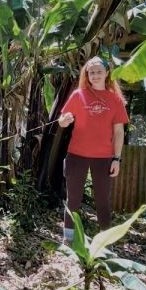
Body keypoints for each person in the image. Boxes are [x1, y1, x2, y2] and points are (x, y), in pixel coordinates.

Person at [57, 56, 129, 241]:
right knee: (73, 199)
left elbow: (119, 132)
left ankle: (106, 242)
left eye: (99, 71)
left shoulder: (115, 100)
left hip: (104, 158)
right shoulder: (78, 95)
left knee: (103, 202)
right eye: (91, 72)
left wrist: (117, 159)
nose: (95, 75)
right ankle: (68, 240)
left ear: (106, 74)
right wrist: (64, 121)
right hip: (76, 155)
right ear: (87, 75)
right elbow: (63, 120)